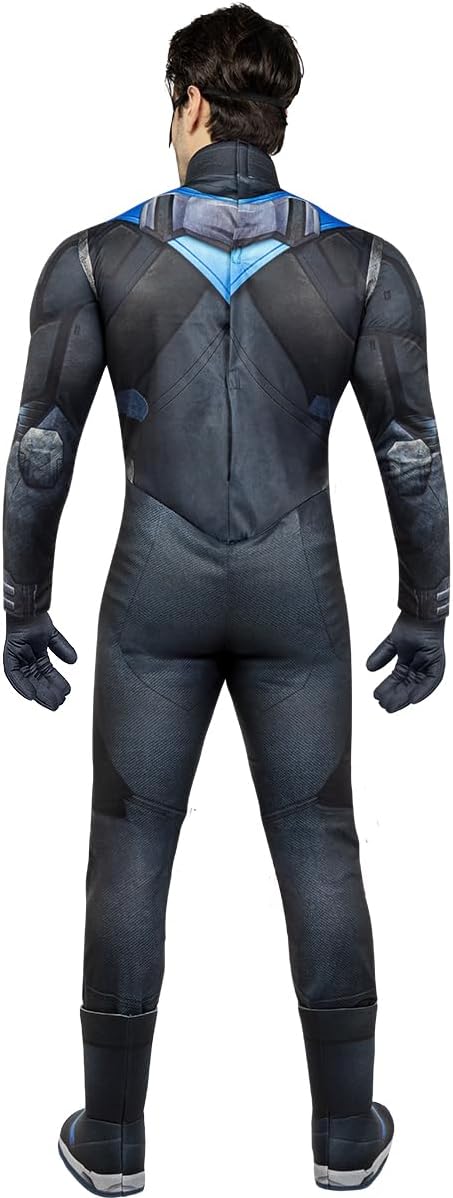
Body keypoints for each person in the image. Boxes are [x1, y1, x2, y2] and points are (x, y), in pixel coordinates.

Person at [2, 3, 449, 1193]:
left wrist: (21, 602)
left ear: (192, 103)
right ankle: (346, 1133)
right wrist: (428, 609)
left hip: (154, 593)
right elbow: (411, 456)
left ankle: (112, 1138)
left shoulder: (94, 259)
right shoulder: (369, 266)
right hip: (299, 593)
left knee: (128, 843)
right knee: (320, 838)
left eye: (172, 105)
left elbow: (41, 453)